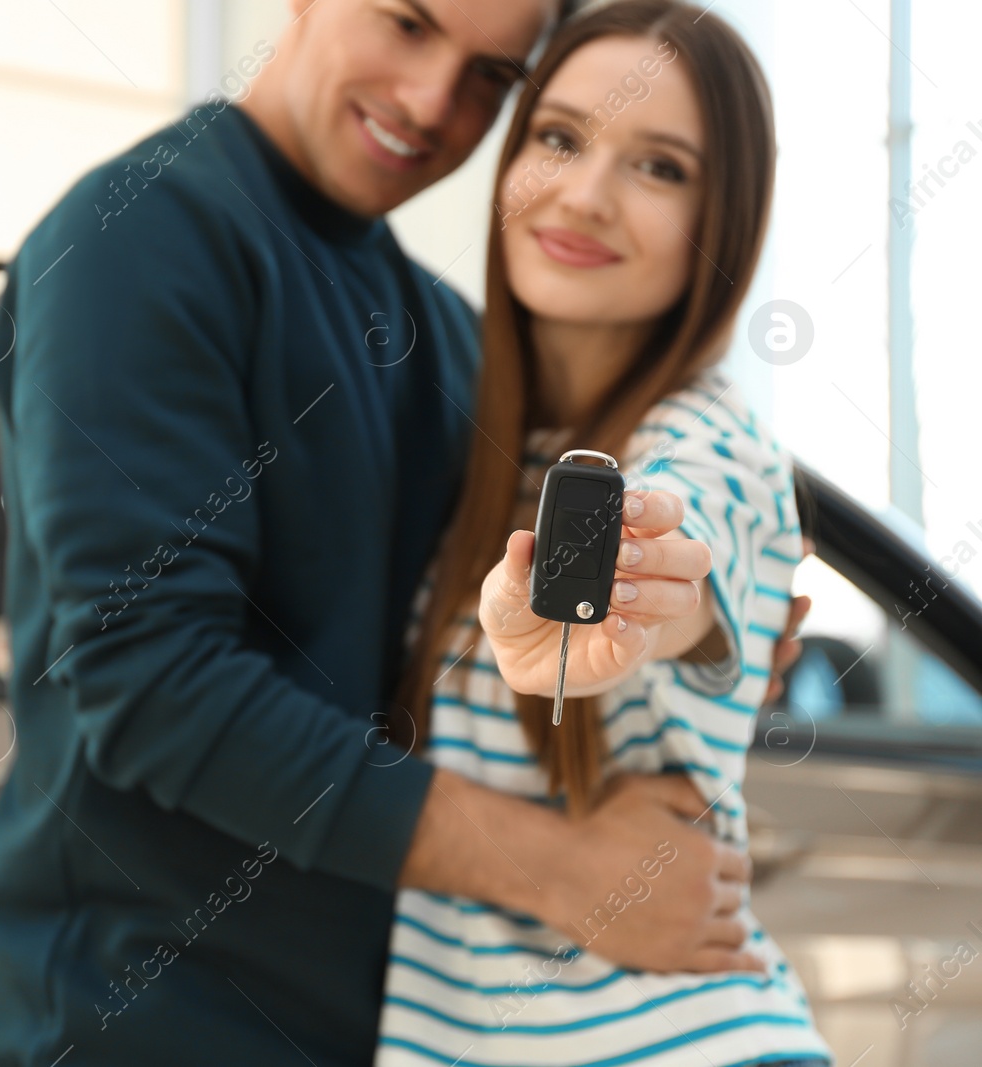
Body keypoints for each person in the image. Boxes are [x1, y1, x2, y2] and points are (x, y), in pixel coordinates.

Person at [0, 0, 808, 1063]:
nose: (431, 102)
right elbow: (149, 683)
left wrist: (710, 631)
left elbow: (626, 550)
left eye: (492, 77)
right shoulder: (139, 234)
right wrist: (563, 866)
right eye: (406, 23)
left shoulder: (445, 339)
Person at [375, 2, 833, 1065]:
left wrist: (619, 595)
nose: (584, 193)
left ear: (724, 221)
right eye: (559, 137)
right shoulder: (485, 446)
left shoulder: (710, 442)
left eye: (660, 168)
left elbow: (677, 523)